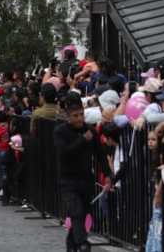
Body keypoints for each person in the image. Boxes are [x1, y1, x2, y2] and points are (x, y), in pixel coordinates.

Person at [54, 97, 112, 252]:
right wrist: (82, 140)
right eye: (75, 116)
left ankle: (72, 245)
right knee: (76, 211)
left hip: (86, 179)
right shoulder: (60, 132)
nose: (80, 118)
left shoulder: (90, 131)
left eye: (81, 115)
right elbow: (64, 154)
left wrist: (108, 175)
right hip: (68, 180)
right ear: (68, 117)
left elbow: (100, 155)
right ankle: (82, 244)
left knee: (82, 214)